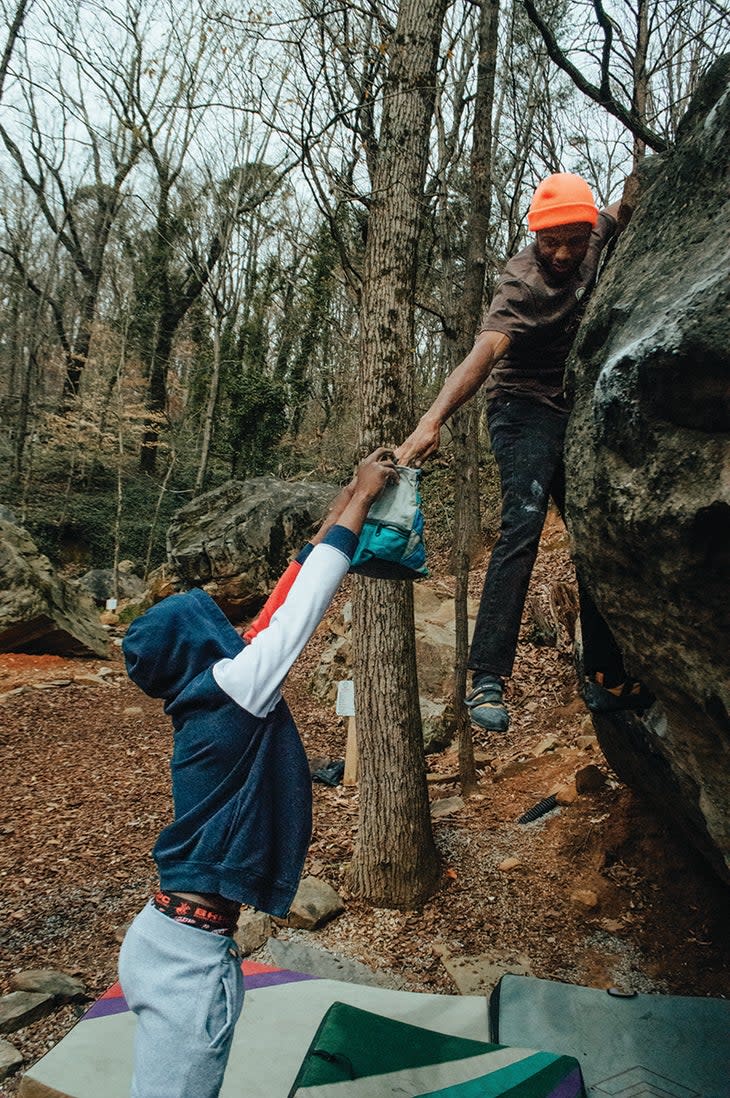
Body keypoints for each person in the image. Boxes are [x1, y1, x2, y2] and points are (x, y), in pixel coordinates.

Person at [118, 448, 398, 1098]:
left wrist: (342, 502)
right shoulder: (234, 689)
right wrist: (358, 501)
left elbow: (277, 606)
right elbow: (300, 615)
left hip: (171, 935)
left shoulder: (211, 692)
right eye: (218, 623)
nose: (239, 629)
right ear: (198, 643)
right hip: (185, 956)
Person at [395, 172, 651, 732]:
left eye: (573, 241)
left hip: (571, 403)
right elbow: (482, 354)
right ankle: (487, 676)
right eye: (549, 241)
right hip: (520, 405)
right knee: (525, 521)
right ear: (534, 235)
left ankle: (605, 675)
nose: (561, 253)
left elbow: (621, 206)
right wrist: (431, 422)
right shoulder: (522, 286)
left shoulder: (595, 232)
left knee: (592, 531)